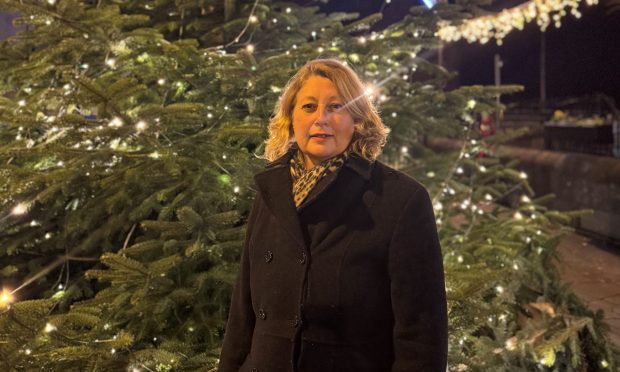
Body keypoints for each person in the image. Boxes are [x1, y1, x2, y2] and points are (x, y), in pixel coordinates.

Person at [218, 59, 447, 372]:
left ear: (357, 119)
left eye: (336, 106)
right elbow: (242, 315)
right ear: (290, 117)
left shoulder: (400, 200)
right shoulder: (271, 190)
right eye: (309, 106)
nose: (321, 119)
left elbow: (421, 338)